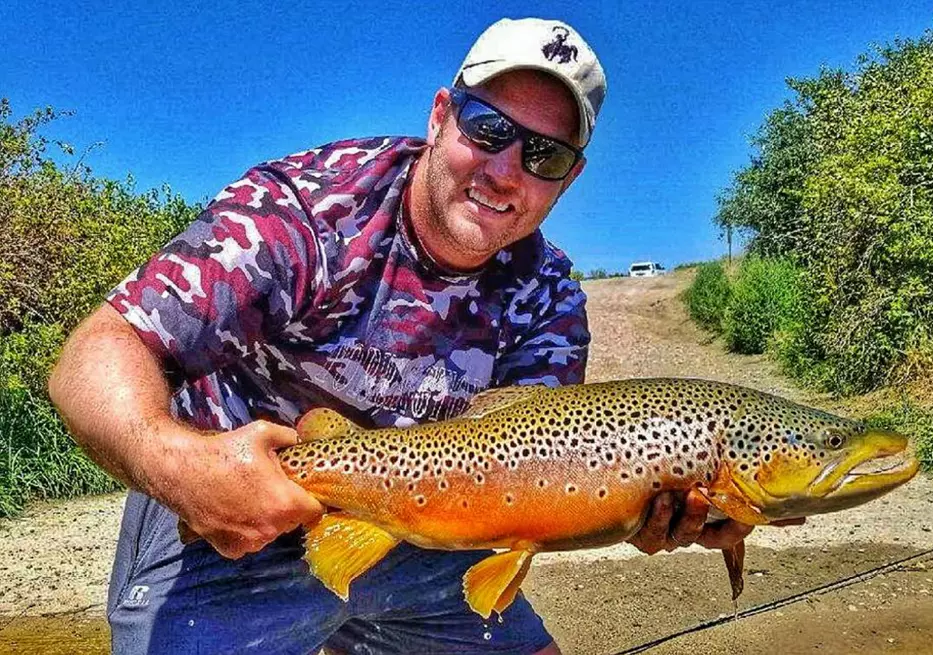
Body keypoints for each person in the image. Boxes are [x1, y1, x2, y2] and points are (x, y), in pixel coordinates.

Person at [49, 17, 761, 655]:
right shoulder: (307, 212)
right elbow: (99, 353)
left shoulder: (548, 300)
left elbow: (536, 487)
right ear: (440, 116)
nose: (507, 169)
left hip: (427, 532)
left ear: (568, 180)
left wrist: (639, 513)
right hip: (229, 519)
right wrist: (184, 469)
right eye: (488, 128)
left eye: (544, 156)